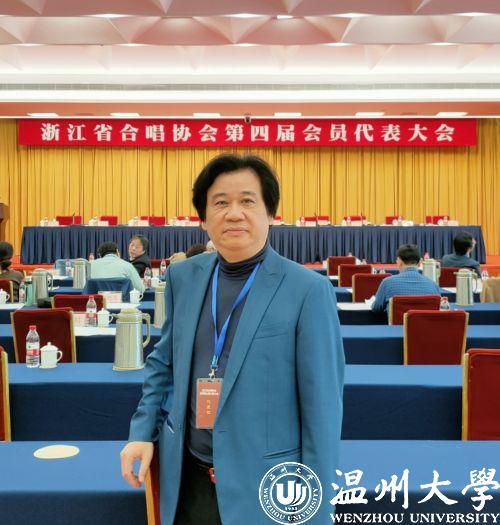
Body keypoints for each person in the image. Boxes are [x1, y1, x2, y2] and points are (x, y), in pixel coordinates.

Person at [120, 153, 344, 525]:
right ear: (203, 218)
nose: (234, 214)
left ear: (270, 213)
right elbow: (164, 362)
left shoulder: (308, 290)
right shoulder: (184, 277)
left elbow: (322, 412)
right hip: (188, 479)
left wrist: (316, 512)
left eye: (247, 201)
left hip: (266, 488)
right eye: (221, 203)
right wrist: (141, 431)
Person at [372, 243, 440, 312]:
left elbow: (376, 308)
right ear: (420, 263)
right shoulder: (433, 285)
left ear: (399, 262)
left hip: (396, 319)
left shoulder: (387, 283)